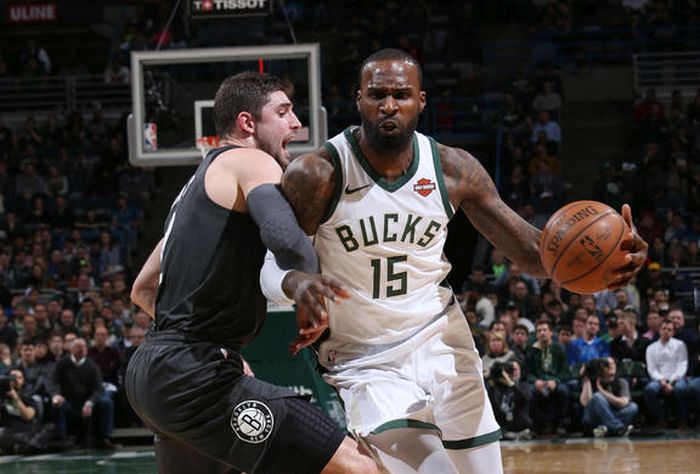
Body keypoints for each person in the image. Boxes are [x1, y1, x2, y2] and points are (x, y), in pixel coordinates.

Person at [262, 49, 648, 473]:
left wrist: (612, 263)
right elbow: (271, 264)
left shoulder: (453, 169)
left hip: (441, 342)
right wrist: (296, 284)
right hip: (363, 356)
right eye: (377, 94)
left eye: (401, 95)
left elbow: (533, 254)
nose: (389, 105)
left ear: (420, 101)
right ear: (359, 100)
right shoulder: (318, 174)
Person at [126, 71, 378, 474]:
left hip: (151, 375)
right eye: (283, 112)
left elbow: (142, 289)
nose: (296, 123)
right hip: (193, 376)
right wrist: (311, 297)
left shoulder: (192, 191)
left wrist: (211, 348)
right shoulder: (250, 160)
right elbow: (286, 239)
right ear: (247, 123)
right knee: (361, 467)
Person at [644, 319, 689, 430]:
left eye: (669, 330)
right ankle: (660, 420)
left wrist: (671, 382)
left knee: (680, 389)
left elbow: (682, 366)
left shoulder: (680, 345)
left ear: (673, 332)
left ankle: (682, 421)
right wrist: (662, 381)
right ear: (659, 330)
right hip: (658, 379)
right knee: (650, 389)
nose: (666, 331)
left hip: (677, 378)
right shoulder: (651, 348)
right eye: (664, 329)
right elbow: (652, 369)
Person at [579, 357, 637, 438]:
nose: (611, 366)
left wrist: (602, 391)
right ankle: (618, 428)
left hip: (613, 413)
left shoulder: (621, 382)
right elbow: (585, 402)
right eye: (608, 364)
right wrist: (586, 379)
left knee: (633, 407)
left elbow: (624, 402)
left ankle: (604, 429)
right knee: (597, 397)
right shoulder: (592, 381)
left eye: (613, 364)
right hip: (593, 417)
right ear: (601, 367)